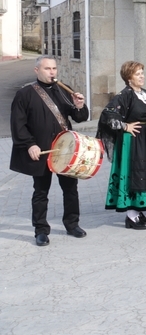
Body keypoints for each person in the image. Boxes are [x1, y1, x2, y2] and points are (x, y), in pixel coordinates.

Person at [10, 55, 89, 246]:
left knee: (70, 189)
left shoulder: (63, 91)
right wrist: (30, 145)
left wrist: (80, 106)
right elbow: (18, 125)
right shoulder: (25, 94)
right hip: (41, 151)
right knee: (40, 192)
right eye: (47, 69)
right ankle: (41, 230)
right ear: (37, 70)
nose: (52, 72)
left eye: (54, 68)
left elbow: (79, 117)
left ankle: (72, 224)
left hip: (64, 150)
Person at [99, 61, 146, 230]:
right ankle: (131, 216)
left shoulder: (144, 93)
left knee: (143, 172)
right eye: (137, 74)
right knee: (134, 172)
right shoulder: (124, 95)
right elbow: (108, 114)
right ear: (128, 78)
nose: (141, 76)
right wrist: (125, 126)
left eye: (142, 73)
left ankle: (138, 210)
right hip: (132, 140)